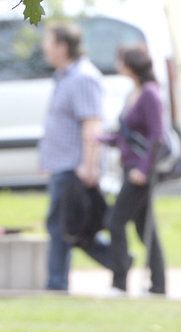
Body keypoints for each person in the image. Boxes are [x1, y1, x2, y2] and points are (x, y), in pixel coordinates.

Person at [39, 21, 110, 292]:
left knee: (64, 227)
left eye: (49, 42)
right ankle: (119, 261)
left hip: (74, 167)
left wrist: (89, 165)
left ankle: (56, 283)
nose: (44, 48)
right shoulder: (63, 77)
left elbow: (92, 124)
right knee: (68, 227)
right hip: (61, 164)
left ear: (62, 46)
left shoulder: (82, 77)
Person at [98, 43, 168, 295]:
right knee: (144, 227)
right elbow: (127, 134)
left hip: (140, 173)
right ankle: (158, 285)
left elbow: (157, 136)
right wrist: (103, 139)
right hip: (129, 167)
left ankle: (119, 282)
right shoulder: (134, 92)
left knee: (115, 221)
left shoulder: (150, 93)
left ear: (130, 65)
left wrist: (144, 170)